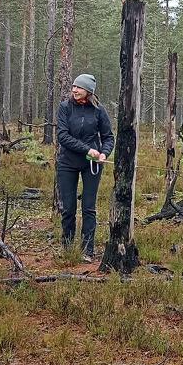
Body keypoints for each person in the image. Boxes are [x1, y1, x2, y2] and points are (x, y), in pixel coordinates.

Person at [55, 74, 115, 262]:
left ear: (88, 91)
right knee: (69, 208)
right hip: (67, 163)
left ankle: (87, 251)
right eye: (73, 86)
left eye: (79, 87)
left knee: (89, 207)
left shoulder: (99, 110)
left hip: (91, 165)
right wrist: (87, 149)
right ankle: (67, 248)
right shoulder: (65, 107)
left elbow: (108, 137)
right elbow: (63, 136)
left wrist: (104, 153)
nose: (74, 90)